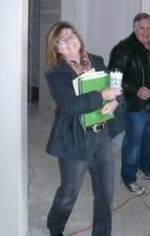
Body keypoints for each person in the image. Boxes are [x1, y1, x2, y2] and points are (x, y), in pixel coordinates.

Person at [45, 21, 122, 236]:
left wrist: (115, 101)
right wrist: (101, 96)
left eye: (71, 36)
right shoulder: (56, 74)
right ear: (56, 49)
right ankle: (54, 228)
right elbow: (70, 106)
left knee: (105, 194)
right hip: (75, 138)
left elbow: (115, 89)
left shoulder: (96, 60)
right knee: (69, 192)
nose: (68, 42)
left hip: (102, 136)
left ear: (78, 38)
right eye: (61, 40)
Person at [108, 13, 150, 195]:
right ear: (135, 29)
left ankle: (147, 168)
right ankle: (129, 178)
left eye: (149, 28)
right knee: (133, 143)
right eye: (142, 28)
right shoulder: (123, 48)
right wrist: (135, 88)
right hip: (135, 106)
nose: (146, 31)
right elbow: (114, 75)